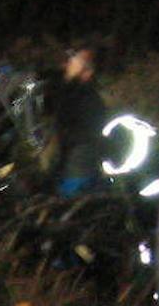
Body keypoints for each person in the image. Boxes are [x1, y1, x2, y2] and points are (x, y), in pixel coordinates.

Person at [47, 40, 111, 195]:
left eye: (76, 59)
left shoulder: (89, 98)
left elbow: (87, 138)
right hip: (66, 162)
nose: (70, 62)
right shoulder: (67, 90)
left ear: (88, 70)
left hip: (78, 167)